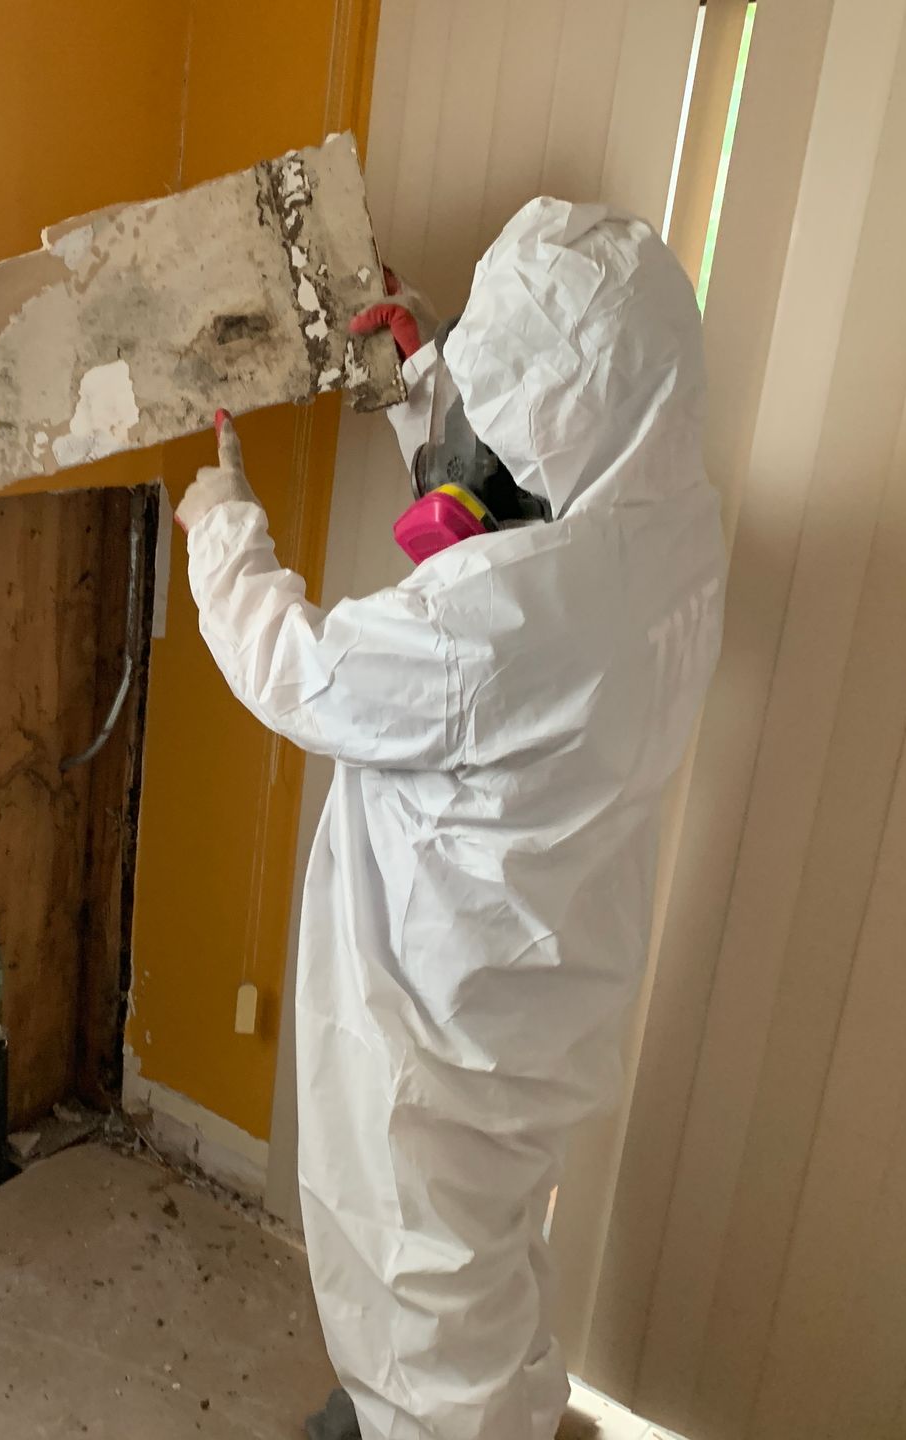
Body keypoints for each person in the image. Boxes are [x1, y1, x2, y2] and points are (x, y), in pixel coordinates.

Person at [175, 198, 726, 1440]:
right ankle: (518, 1412)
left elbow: (305, 671)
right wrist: (428, 383)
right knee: (489, 1260)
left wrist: (222, 531)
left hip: (439, 1014)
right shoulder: (676, 528)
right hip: (547, 989)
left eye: (499, 388)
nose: (488, 416)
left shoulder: (502, 623)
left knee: (419, 1288)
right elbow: (526, 489)